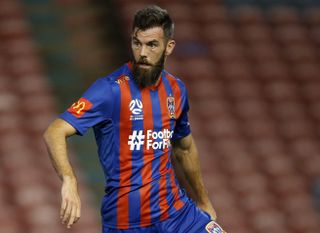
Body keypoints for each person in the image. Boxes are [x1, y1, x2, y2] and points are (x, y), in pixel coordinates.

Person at [44, 5, 226, 233]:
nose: (142, 53)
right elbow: (55, 131)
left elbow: (184, 148)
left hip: (178, 214)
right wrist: (69, 180)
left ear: (169, 47)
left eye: (152, 45)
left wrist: (203, 201)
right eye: (137, 43)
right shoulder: (109, 90)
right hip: (127, 223)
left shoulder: (176, 90)